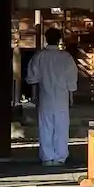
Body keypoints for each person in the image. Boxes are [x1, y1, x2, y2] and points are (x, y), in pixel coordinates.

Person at [26, 27, 79, 165]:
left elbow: (33, 78)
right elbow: (71, 78)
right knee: (61, 127)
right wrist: (71, 96)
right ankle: (60, 157)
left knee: (45, 126)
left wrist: (34, 96)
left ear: (46, 39)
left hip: (45, 96)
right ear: (59, 40)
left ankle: (47, 157)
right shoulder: (66, 57)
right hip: (62, 97)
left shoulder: (39, 56)